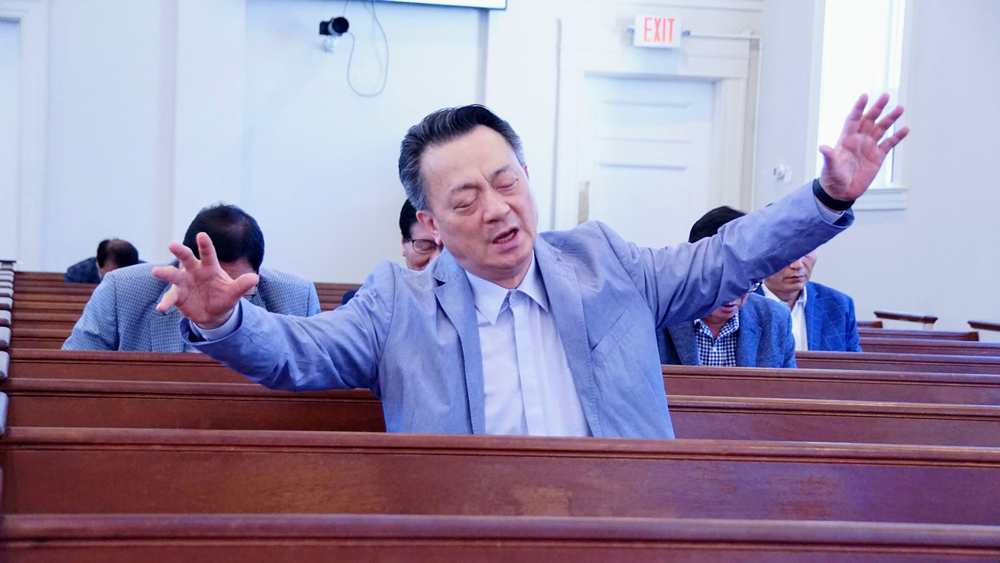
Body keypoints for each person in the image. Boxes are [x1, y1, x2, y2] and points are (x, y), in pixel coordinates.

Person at [153, 93, 907, 438]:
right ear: (431, 222)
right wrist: (225, 319)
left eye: (507, 180)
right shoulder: (397, 303)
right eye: (466, 198)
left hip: (625, 533)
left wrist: (826, 197)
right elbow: (300, 353)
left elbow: (725, 256)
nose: (497, 209)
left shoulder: (607, 264)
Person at [63, 204, 321, 352]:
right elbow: (75, 375)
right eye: (207, 287)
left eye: (236, 289)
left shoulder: (297, 298)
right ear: (182, 263)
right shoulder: (121, 291)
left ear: (257, 273)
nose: (220, 300)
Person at [658, 207, 796, 368]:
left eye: (745, 282)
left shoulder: (775, 319)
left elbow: (787, 384)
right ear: (694, 266)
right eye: (723, 281)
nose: (733, 295)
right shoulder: (659, 314)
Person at [342, 199, 442, 305]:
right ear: (404, 243)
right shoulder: (375, 303)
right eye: (425, 246)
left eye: (446, 249)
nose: (437, 258)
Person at [761, 252, 862, 352]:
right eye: (785, 254)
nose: (797, 265)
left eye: (806, 252)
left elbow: (853, 360)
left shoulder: (838, 305)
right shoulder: (750, 304)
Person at [64, 239, 140, 284]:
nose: (116, 282)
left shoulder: (144, 272)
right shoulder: (76, 275)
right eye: (111, 275)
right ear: (97, 263)